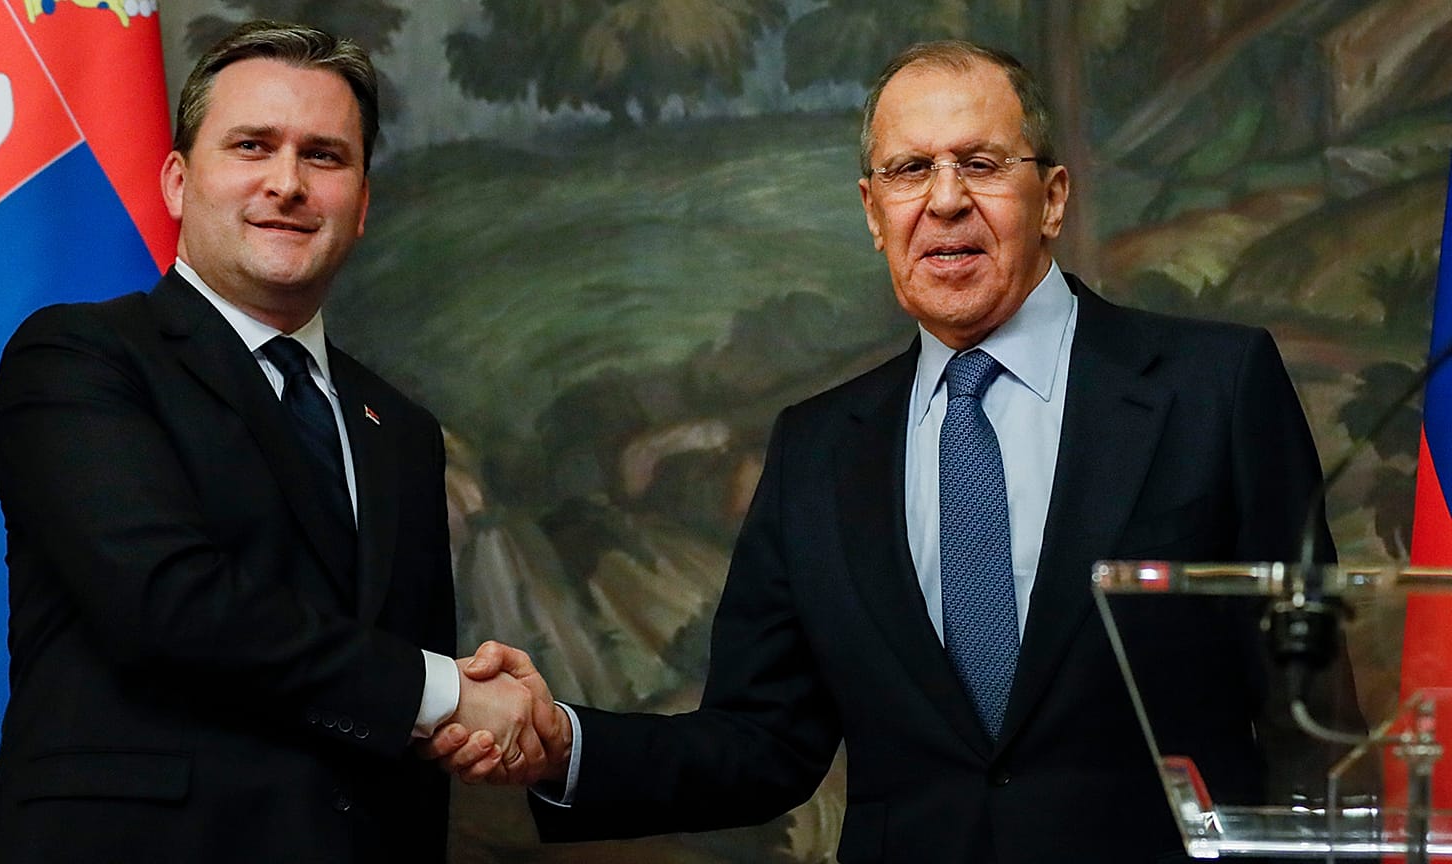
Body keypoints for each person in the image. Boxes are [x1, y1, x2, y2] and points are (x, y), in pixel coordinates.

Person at [431, 40, 1339, 863]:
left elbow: (1314, 719)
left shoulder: (1212, 389)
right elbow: (761, 742)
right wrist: (566, 742)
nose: (945, 200)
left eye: (981, 164)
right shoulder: (818, 450)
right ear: (874, 212)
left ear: (1052, 197)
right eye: (911, 170)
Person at [0, 20, 553, 864]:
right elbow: (169, 606)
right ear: (178, 181)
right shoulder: (79, 358)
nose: (286, 183)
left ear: (360, 205)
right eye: (253, 145)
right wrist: (443, 694)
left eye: (324, 156)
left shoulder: (402, 431)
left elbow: (380, 679)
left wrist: (450, 728)